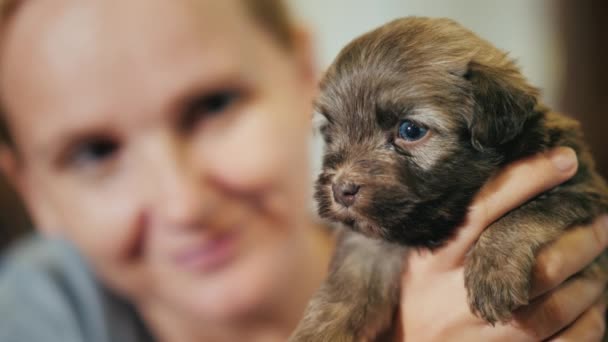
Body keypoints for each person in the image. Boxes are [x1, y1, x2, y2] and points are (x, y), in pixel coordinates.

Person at [0, 0, 605, 341]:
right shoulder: (35, 313)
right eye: (94, 152)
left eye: (213, 105)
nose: (183, 202)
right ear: (29, 190)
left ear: (301, 74)